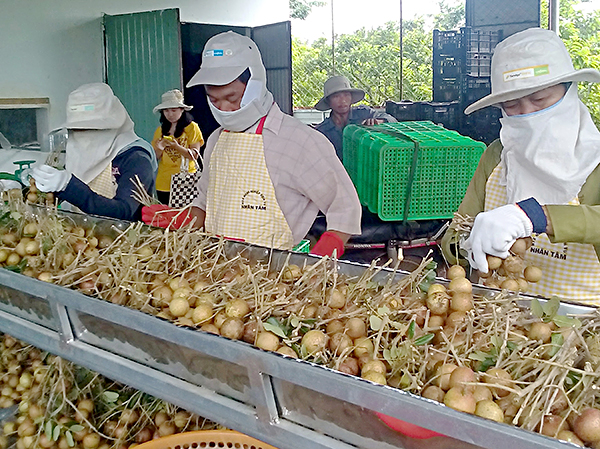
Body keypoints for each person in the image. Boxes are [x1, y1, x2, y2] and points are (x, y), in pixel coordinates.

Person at [142, 31, 362, 257]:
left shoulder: (299, 140)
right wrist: (184, 217)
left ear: (255, 84)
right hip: (215, 267)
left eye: (232, 98)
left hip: (272, 273)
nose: (223, 108)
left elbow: (345, 205)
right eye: (214, 100)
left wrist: (324, 252)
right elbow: (205, 206)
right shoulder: (217, 140)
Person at [441, 28, 600, 304]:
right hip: (497, 320)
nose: (527, 113)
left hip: (581, 323)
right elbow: (456, 234)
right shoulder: (497, 155)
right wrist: (469, 245)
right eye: (512, 104)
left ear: (568, 92)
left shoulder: (594, 160)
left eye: (540, 99)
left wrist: (537, 217)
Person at [31, 83, 158, 221]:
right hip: (82, 232)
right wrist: (42, 186)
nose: (83, 137)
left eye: (91, 129)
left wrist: (68, 186)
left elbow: (124, 212)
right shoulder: (78, 154)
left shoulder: (135, 158)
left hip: (123, 234)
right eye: (77, 130)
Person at [314, 75, 396, 161]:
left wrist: (379, 121)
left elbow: (393, 121)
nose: (343, 100)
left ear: (351, 97)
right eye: (336, 96)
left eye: (346, 95)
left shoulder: (363, 113)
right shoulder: (322, 132)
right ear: (328, 101)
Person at [152, 89, 204, 205]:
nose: (170, 114)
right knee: (166, 213)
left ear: (182, 110)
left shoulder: (192, 128)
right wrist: (159, 148)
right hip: (164, 181)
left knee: (185, 212)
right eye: (166, 111)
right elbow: (155, 158)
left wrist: (177, 147)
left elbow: (194, 155)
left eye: (174, 110)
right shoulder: (160, 130)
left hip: (186, 180)